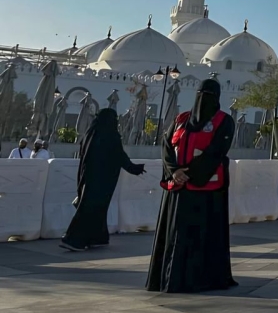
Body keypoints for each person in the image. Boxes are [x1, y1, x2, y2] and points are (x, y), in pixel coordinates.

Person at [146, 78, 237, 293]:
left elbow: (216, 151)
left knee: (200, 236)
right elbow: (167, 145)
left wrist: (190, 174)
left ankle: (200, 279)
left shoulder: (224, 121)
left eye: (209, 95)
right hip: (179, 189)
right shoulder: (182, 119)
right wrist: (174, 171)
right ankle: (169, 277)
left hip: (206, 192)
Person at [60, 109, 145, 252]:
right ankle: (74, 240)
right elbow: (119, 155)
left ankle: (98, 237)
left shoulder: (90, 133)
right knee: (91, 208)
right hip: (103, 179)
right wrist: (133, 168)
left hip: (88, 176)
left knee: (94, 207)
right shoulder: (110, 135)